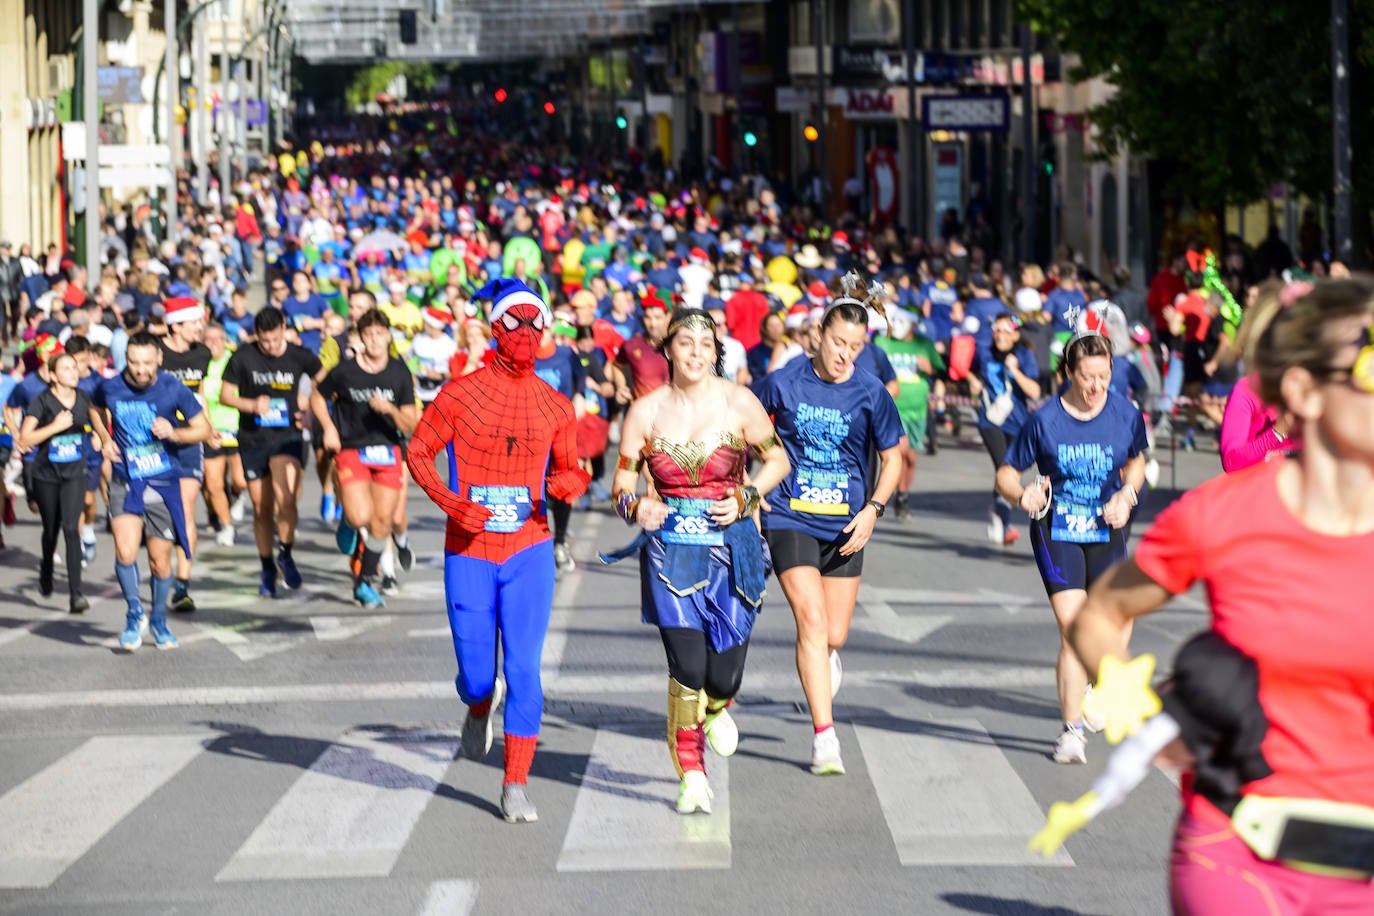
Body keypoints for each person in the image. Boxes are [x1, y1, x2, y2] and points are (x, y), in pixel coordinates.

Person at [1067, 278, 1374, 914]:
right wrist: (1147, 724)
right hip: (1233, 854)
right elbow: (1099, 615)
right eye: (1369, 363)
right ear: (1303, 391)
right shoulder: (1225, 515)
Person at [405, 278, 589, 824]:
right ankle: (479, 703)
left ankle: (514, 784)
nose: (527, 331)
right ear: (494, 327)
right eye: (516, 321)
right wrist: (450, 504)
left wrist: (569, 486)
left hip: (529, 550)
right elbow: (419, 454)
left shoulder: (557, 406)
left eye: (537, 321)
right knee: (480, 675)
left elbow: (572, 469)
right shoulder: (460, 394)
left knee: (527, 671)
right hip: (469, 549)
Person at [610, 307, 790, 813]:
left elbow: (777, 459)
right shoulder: (644, 412)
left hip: (736, 548)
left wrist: (749, 495)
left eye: (704, 344)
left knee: (725, 677)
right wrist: (636, 505)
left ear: (716, 352)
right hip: (672, 553)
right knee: (687, 666)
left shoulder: (740, 402)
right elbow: (621, 484)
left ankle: (715, 708)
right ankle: (691, 773)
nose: (694, 351)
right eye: (684, 342)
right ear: (667, 349)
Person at [755, 286, 904, 776]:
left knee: (834, 633)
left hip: (847, 524)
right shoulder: (780, 383)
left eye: (856, 346)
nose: (846, 354)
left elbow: (893, 458)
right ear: (817, 336)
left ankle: (823, 660)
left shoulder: (870, 391)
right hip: (789, 516)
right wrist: (753, 492)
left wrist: (874, 510)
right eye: (839, 342)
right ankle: (825, 737)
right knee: (812, 623)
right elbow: (744, 431)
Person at [994, 332, 1148, 764]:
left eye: (1104, 376)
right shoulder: (1045, 420)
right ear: (1068, 373)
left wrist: (1126, 495)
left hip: (1106, 526)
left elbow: (1136, 461)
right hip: (1057, 527)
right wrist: (1020, 493)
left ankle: (1102, 687)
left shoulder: (1125, 414)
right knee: (1075, 630)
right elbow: (1006, 473)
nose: (1096, 386)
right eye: (1087, 377)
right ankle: (1071, 732)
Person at [94, 332, 212, 651]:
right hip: (125, 480)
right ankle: (135, 614)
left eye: (147, 362)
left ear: (159, 358)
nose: (141, 369)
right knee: (125, 551)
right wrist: (104, 437)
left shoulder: (173, 388)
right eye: (134, 362)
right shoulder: (111, 386)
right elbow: (94, 407)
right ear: (126, 360)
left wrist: (174, 432)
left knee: (161, 562)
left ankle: (158, 618)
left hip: (162, 484)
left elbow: (203, 429)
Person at [313, 308, 418, 609]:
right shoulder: (345, 371)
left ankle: (363, 583)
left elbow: (411, 423)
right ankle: (348, 521)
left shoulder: (399, 373)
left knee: (381, 523)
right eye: (367, 334)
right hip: (352, 448)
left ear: (388, 336)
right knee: (360, 517)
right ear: (360, 337)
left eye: (379, 334)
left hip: (388, 450)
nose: (373, 340)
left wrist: (391, 410)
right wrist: (330, 429)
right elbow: (317, 397)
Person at [219, 307, 323, 597]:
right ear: (257, 335)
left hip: (287, 436)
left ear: (284, 328)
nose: (272, 346)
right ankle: (267, 567)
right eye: (265, 341)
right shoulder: (243, 356)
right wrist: (252, 406)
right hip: (253, 438)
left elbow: (325, 384)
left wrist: (313, 415)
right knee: (261, 508)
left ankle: (286, 553)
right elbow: (225, 396)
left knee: (286, 496)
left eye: (276, 339)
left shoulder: (300, 356)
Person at [21, 351, 110, 612]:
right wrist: (54, 427)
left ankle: (76, 595)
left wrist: (101, 438)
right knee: (51, 530)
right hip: (46, 475)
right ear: (52, 375)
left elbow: (100, 420)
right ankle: (47, 568)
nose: (73, 373)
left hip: (75, 474)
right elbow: (26, 439)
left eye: (75, 368)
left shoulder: (84, 398)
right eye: (67, 369)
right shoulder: (42, 401)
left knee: (72, 529)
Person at [157, 296, 213, 613]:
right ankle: (160, 570)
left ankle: (183, 585)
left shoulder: (202, 353)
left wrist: (209, 425)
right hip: (157, 442)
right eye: (194, 322)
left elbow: (200, 393)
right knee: (162, 511)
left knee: (186, 509)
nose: (199, 327)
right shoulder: (155, 354)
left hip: (190, 439)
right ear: (176, 325)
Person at [968, 313, 1042, 546]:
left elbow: (1035, 392)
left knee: (1011, 472)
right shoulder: (984, 352)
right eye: (997, 330)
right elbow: (970, 370)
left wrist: (1016, 371)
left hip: (1017, 421)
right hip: (990, 419)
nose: (1000, 335)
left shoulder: (1023, 355)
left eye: (1005, 331)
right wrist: (973, 380)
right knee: (1003, 466)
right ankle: (1004, 521)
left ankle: (1000, 513)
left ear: (1015, 334)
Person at [874, 306, 944, 518]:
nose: (897, 326)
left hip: (918, 410)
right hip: (894, 408)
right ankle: (889, 494)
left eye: (903, 321)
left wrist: (929, 368)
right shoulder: (883, 342)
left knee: (911, 458)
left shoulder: (924, 344)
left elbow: (942, 371)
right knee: (901, 452)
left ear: (913, 324)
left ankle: (903, 495)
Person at [202, 322, 246, 545]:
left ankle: (237, 496)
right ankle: (227, 525)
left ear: (224, 340)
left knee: (240, 480)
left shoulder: (235, 361)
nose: (213, 344)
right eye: (208, 339)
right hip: (211, 431)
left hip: (237, 428)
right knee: (213, 483)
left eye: (217, 338)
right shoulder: (200, 364)